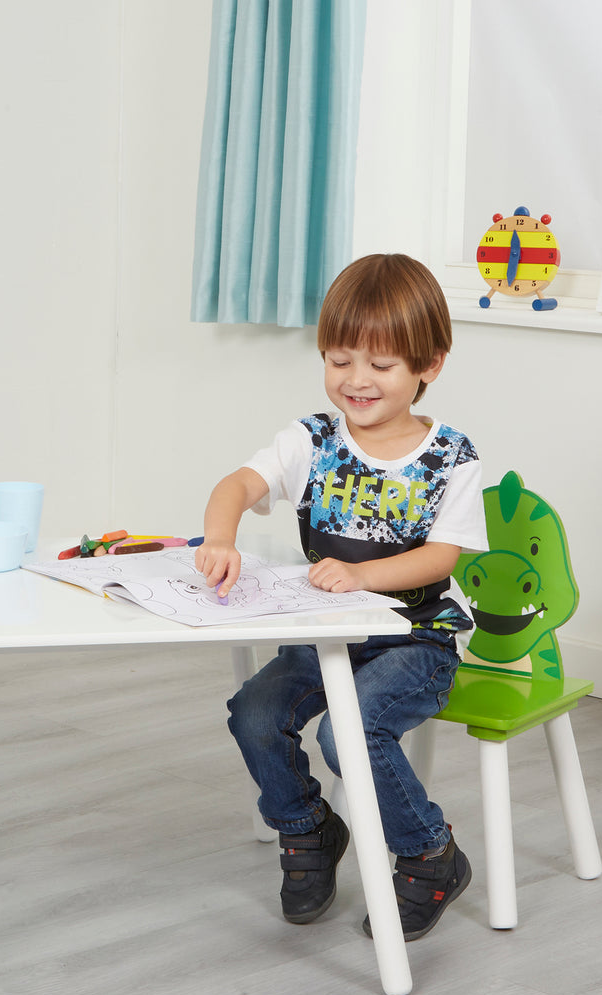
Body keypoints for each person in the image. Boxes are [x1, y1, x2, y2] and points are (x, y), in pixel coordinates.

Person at [196, 253, 488, 940]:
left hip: (417, 640)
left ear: (429, 366)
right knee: (255, 712)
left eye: (381, 366)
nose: (356, 380)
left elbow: (443, 555)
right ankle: (307, 830)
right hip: (326, 634)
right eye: (339, 359)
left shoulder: (452, 456)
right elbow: (236, 485)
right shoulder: (312, 439)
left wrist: (360, 575)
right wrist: (221, 537)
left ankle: (428, 854)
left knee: (349, 728)